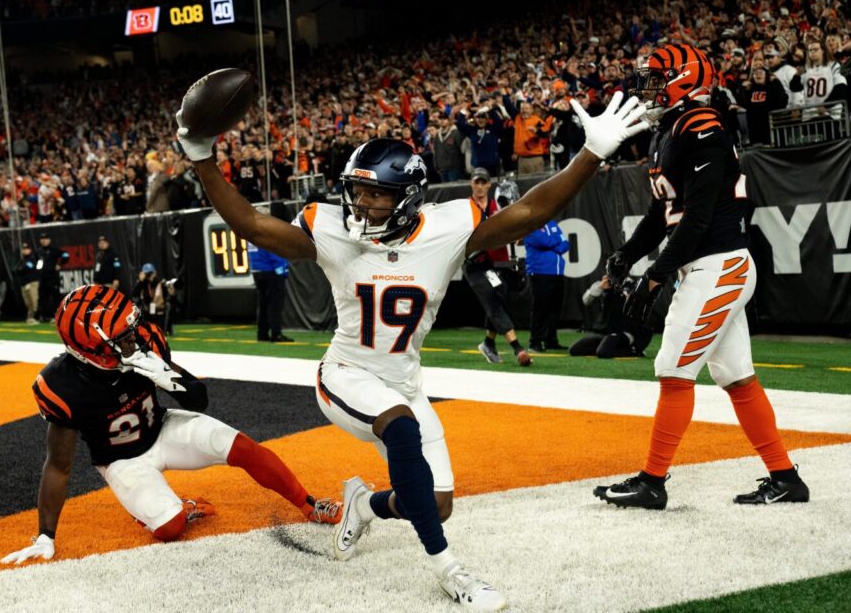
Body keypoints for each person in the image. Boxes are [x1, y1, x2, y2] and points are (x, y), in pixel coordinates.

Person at [177, 90, 648, 611]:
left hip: (403, 379)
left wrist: (591, 154)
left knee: (437, 503)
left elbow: (533, 209)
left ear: (408, 197)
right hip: (345, 374)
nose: (360, 204)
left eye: (374, 195)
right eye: (355, 192)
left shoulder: (446, 230)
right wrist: (202, 157)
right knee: (400, 427)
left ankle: (366, 504)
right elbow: (249, 223)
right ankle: (452, 572)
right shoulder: (333, 232)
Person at [595, 44, 810, 511]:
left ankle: (652, 482)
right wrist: (626, 255)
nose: (645, 89)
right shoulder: (669, 130)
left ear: (683, 78)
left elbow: (697, 219)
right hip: (708, 265)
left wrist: (655, 274)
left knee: (673, 369)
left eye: (655, 79)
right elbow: (662, 213)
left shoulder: (702, 125)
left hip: (720, 263)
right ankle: (786, 478)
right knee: (736, 378)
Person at [0, 284, 342, 565]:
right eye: (121, 338)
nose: (134, 339)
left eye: (131, 329)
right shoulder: (60, 386)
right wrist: (46, 534)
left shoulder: (145, 340)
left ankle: (309, 505)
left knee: (243, 448)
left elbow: (198, 399)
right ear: (89, 349)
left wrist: (169, 379)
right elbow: (58, 467)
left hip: (162, 427)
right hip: (121, 459)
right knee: (170, 525)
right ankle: (176, 508)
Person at [462, 168, 531, 366]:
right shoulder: (466, 208)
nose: (480, 186)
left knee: (500, 295)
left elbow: (510, 227)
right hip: (474, 264)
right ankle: (517, 348)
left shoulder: (497, 207)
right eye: (477, 182)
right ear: (471, 184)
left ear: (489, 184)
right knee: (492, 300)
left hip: (494, 262)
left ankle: (488, 343)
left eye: (484, 182)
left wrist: (517, 234)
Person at [569, 276, 652, 358]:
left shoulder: (631, 285)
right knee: (575, 350)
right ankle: (608, 346)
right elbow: (586, 300)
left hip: (624, 331)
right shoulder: (603, 283)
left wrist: (626, 293)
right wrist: (600, 287)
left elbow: (638, 302)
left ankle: (634, 351)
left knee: (603, 353)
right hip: (605, 331)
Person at [523, 219, 570, 352]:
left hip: (557, 272)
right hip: (539, 272)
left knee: (554, 309)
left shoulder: (552, 223)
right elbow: (541, 241)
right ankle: (535, 341)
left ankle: (551, 340)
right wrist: (556, 241)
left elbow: (565, 244)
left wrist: (553, 242)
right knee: (540, 308)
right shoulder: (530, 225)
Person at [249, 241, 293, 343]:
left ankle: (262, 333)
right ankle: (276, 333)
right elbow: (274, 249)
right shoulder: (265, 231)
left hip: (257, 270)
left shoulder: (251, 232)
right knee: (275, 304)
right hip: (271, 270)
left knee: (263, 303)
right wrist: (282, 270)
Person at [132, 263, 175, 336]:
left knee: (158, 332)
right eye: (147, 274)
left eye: (151, 273)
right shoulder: (142, 283)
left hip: (159, 312)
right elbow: (134, 294)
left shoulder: (160, 282)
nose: (150, 276)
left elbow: (171, 295)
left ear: (155, 273)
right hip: (147, 312)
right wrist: (140, 281)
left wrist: (170, 288)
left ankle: (168, 326)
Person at [37, 232, 68, 322]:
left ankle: (57, 316)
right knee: (43, 298)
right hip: (43, 278)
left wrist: (60, 264)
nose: (44, 241)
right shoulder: (39, 251)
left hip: (53, 278)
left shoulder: (54, 250)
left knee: (55, 298)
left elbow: (66, 255)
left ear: (49, 240)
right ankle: (44, 316)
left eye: (46, 239)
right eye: (42, 239)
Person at [16, 243, 41, 325]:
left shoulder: (33, 258)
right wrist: (22, 269)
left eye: (26, 249)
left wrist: (22, 269)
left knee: (34, 301)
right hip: (24, 283)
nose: (25, 250)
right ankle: (30, 318)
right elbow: (17, 270)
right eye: (23, 249)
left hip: (32, 282)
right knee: (28, 303)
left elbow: (28, 269)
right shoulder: (22, 260)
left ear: (30, 250)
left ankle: (36, 318)